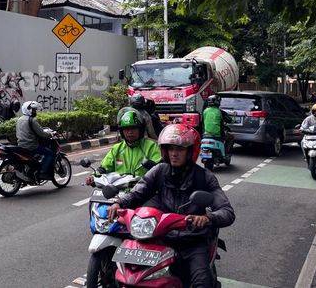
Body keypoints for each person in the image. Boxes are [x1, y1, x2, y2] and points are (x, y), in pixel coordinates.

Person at [107, 124, 235, 287]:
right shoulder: (159, 170)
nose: (174, 153)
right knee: (129, 275)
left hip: (192, 242)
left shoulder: (204, 177)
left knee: (201, 283)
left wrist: (207, 218)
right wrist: (119, 203)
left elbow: (227, 212)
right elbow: (138, 191)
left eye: (180, 149)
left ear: (190, 151)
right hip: (160, 238)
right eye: (170, 149)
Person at [85, 110, 161, 185]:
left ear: (140, 130)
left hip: (144, 191)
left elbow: (159, 168)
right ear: (122, 131)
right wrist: (93, 176)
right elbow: (104, 168)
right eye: (126, 129)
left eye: (133, 128)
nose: (130, 132)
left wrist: (151, 166)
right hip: (118, 192)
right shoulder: (117, 148)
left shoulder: (151, 147)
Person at [16, 101, 55, 180]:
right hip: (31, 146)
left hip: (20, 145)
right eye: (33, 110)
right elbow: (41, 133)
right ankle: (42, 172)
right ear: (28, 110)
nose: (35, 111)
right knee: (50, 154)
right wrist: (50, 134)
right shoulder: (32, 120)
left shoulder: (19, 119)